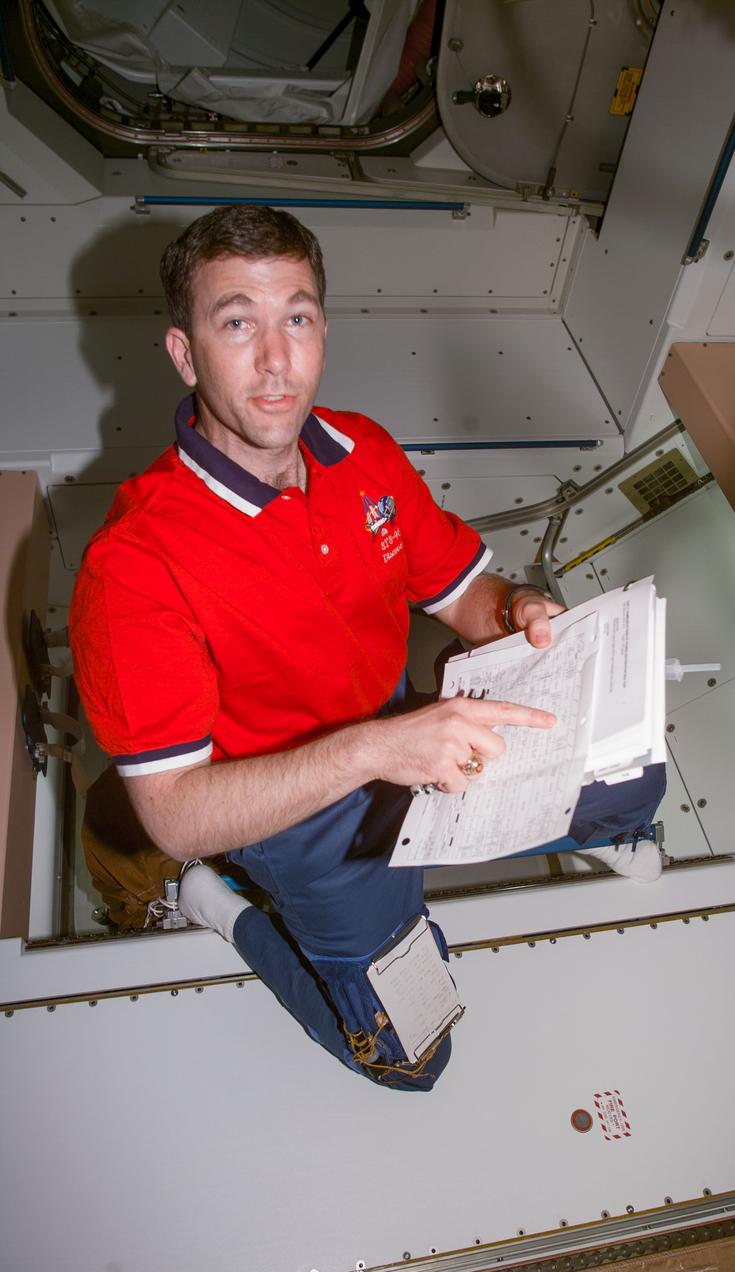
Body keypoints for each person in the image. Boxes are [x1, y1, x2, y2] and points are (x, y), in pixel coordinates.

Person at [70, 204, 663, 1092]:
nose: (277, 361)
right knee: (413, 1059)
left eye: (297, 319)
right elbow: (176, 815)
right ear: (185, 354)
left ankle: (587, 824)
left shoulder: (361, 451)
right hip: (298, 819)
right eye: (238, 323)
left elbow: (462, 593)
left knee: (637, 775)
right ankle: (216, 906)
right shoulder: (134, 564)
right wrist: (379, 749)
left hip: (397, 734)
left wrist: (520, 610)